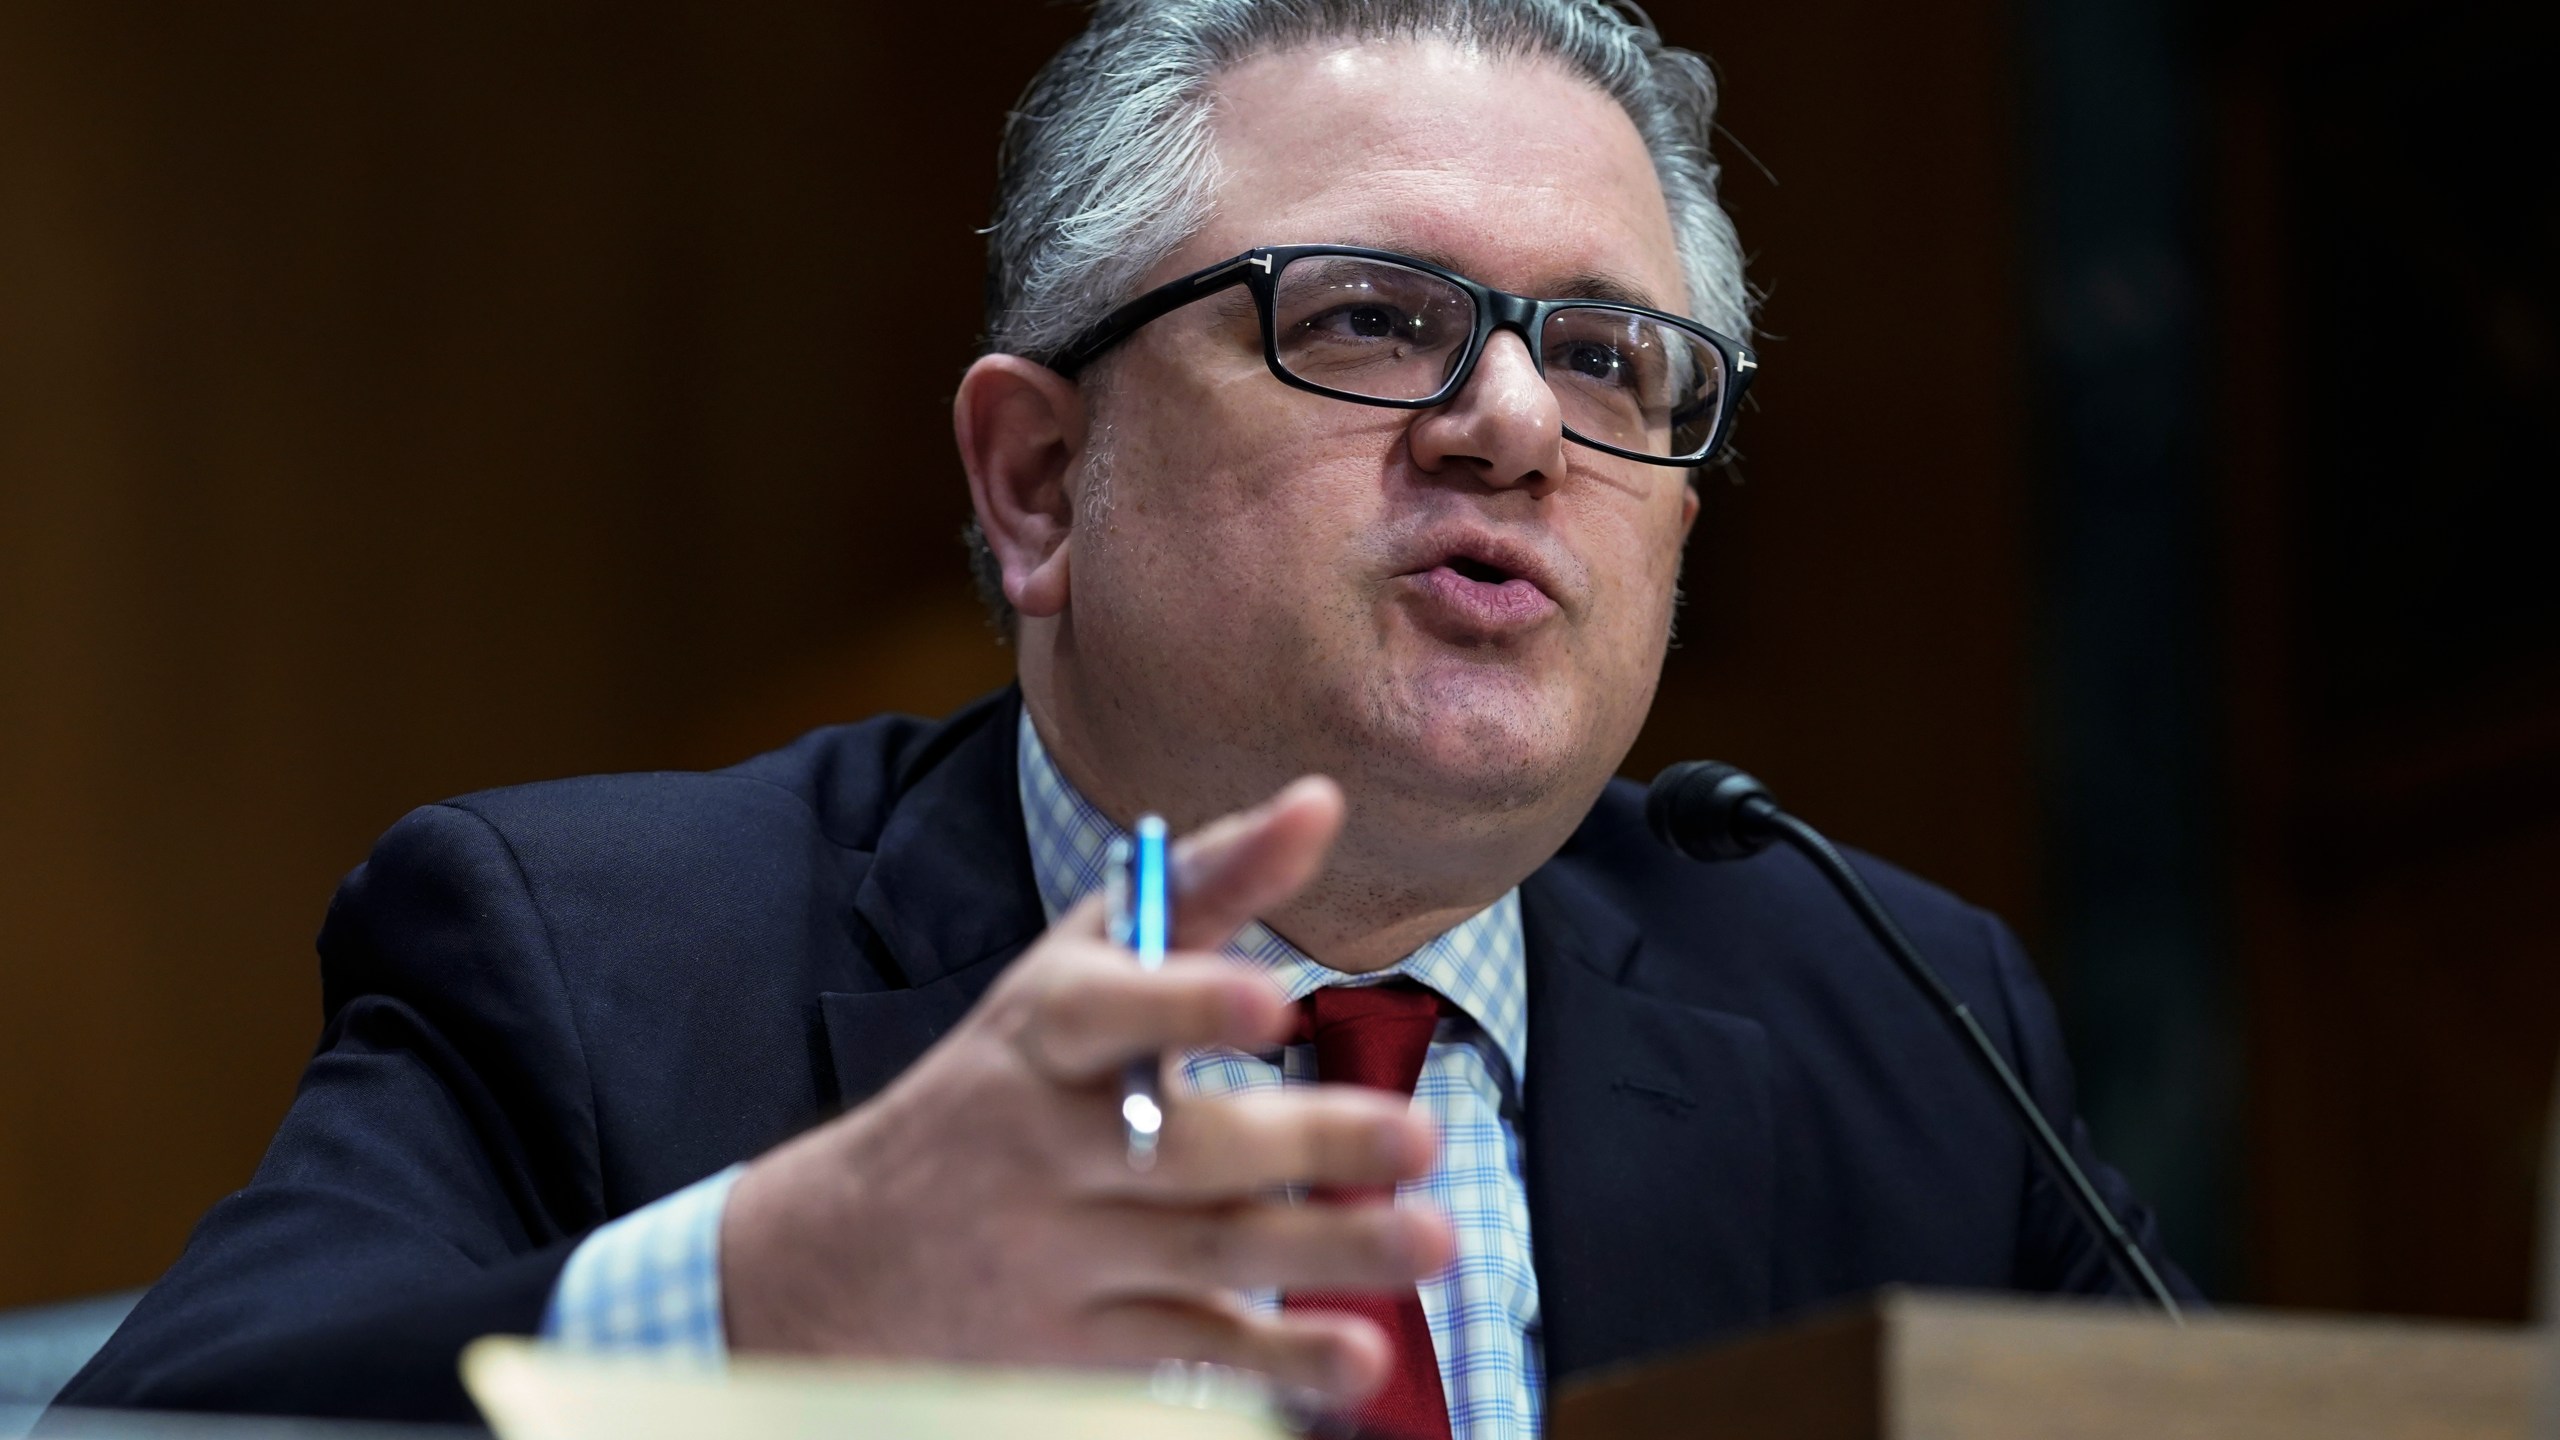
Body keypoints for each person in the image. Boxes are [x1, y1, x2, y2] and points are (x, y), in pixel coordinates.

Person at [59, 2, 2195, 1435]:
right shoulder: (595, 958)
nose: (1518, 424)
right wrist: (763, 1305)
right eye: (1372, 319)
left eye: (1613, 359)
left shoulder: (1892, 1018)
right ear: (1036, 483)